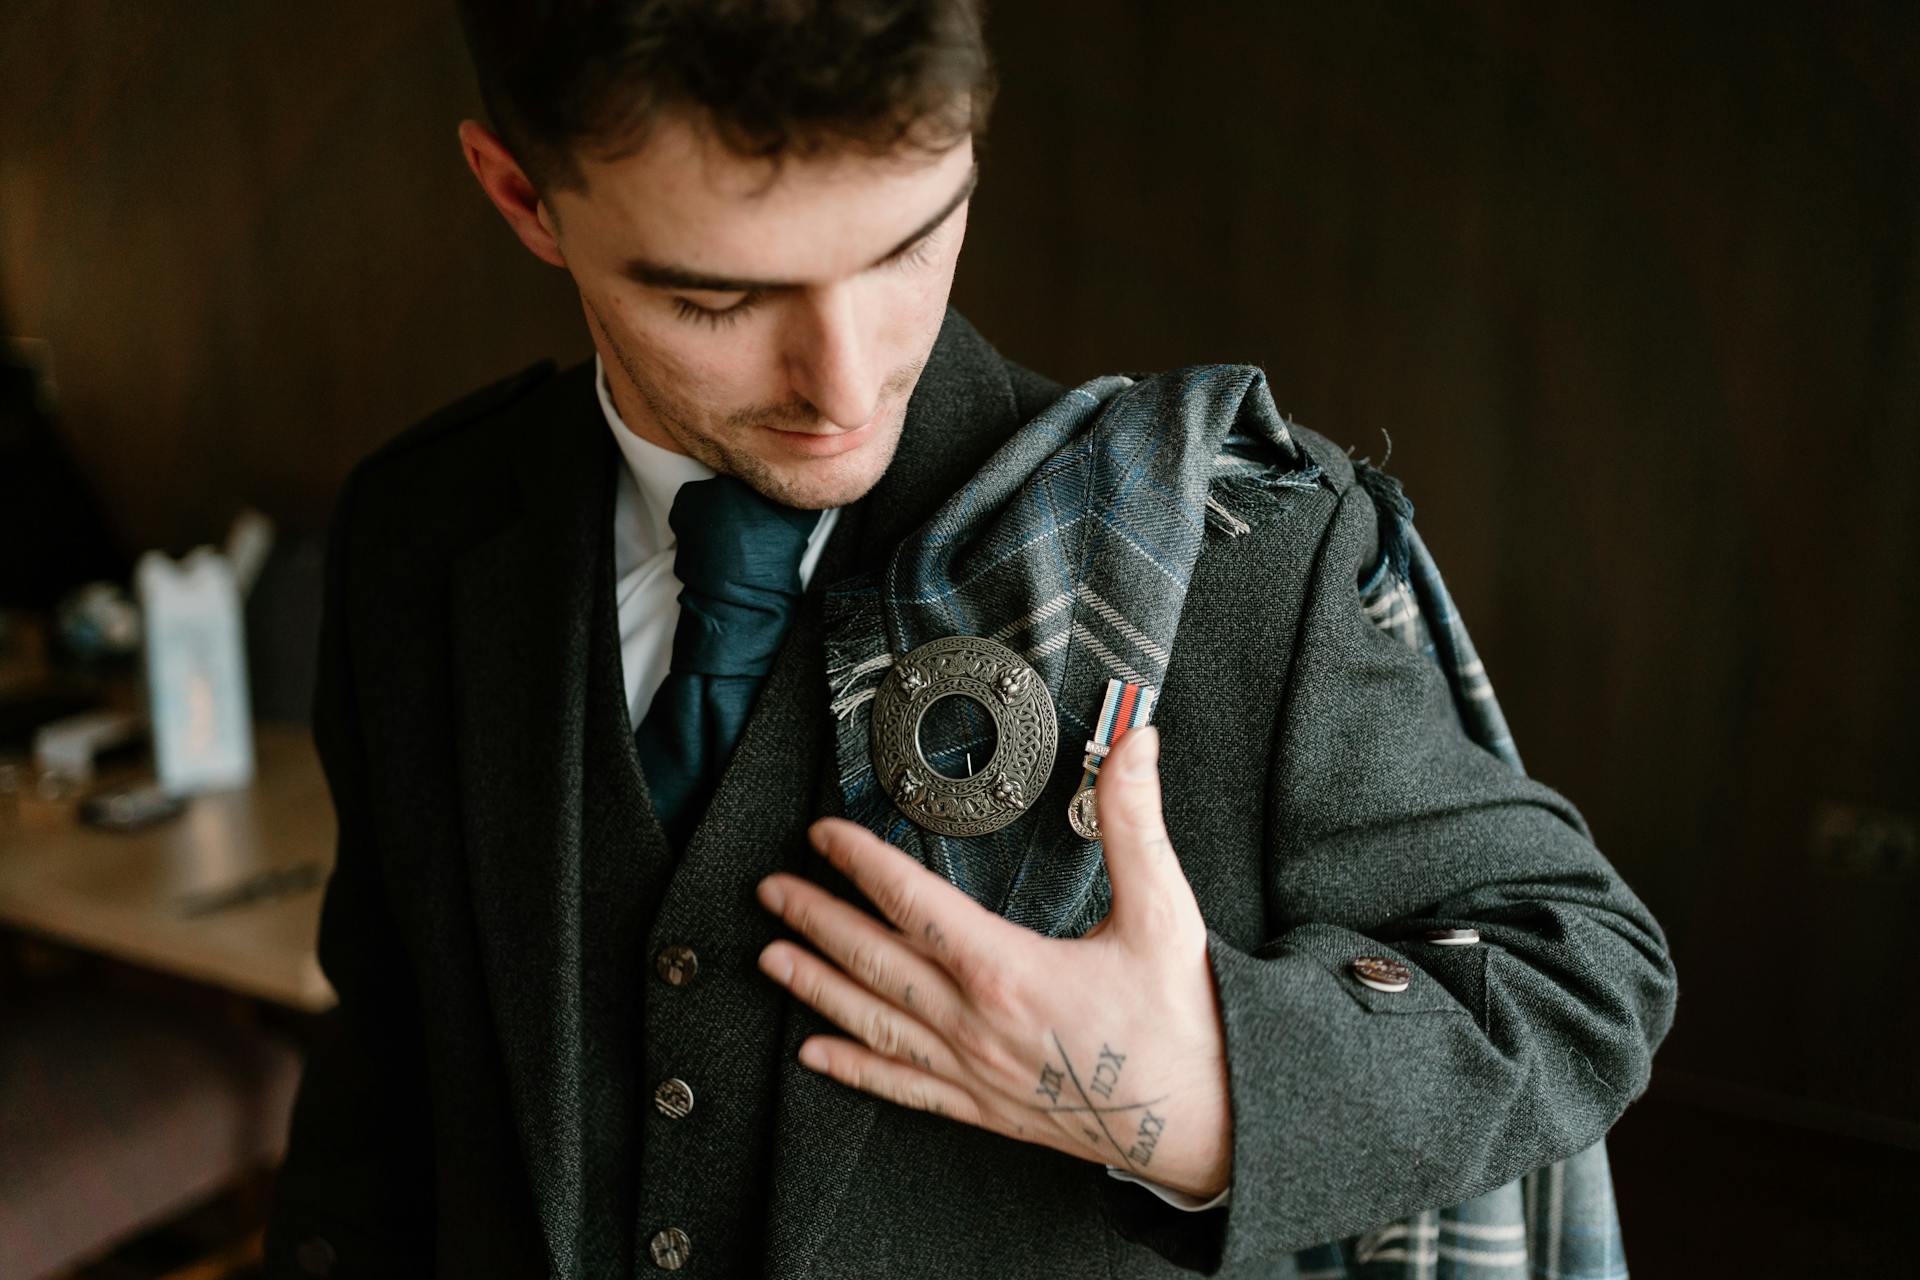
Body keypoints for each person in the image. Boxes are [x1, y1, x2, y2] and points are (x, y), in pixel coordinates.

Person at [263, 2, 1678, 1276]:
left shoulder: (1232, 553)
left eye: (909, 242)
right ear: (524, 198)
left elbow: (1584, 976)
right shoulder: (421, 532)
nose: (845, 376)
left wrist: (1198, 1093)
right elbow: (387, 1071)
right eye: (719, 298)